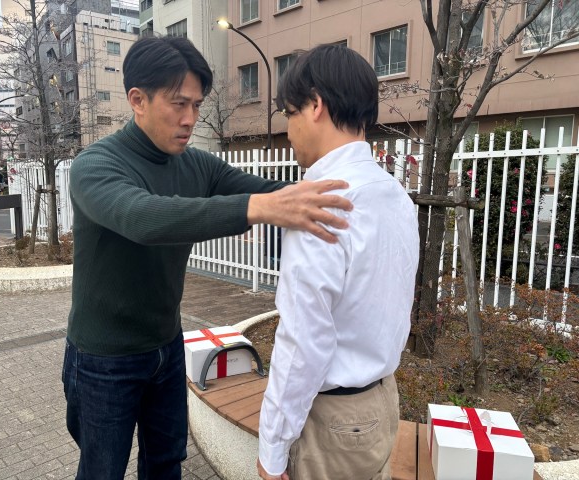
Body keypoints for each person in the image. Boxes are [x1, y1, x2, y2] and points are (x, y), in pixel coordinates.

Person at [62, 35, 353, 480]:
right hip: (103, 357)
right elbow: (143, 218)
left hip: (166, 346)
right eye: (178, 104)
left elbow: (275, 193)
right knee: (102, 471)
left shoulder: (197, 165)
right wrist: (258, 208)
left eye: (197, 105)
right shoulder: (96, 166)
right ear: (137, 100)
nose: (190, 119)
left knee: (166, 463)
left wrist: (359, 194)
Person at [257, 45, 420, 480]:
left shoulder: (321, 203)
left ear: (316, 105)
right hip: (382, 402)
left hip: (333, 421)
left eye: (289, 113)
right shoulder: (395, 195)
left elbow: (302, 343)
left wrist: (272, 449)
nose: (288, 130)